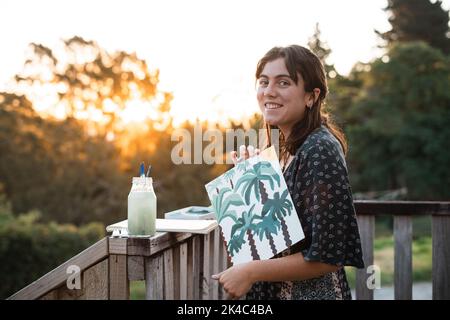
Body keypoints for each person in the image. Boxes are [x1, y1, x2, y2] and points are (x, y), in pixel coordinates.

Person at [212, 45, 365, 300]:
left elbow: (329, 257)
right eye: (263, 82)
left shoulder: (320, 150)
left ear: (311, 96)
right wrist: (250, 181)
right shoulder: (280, 148)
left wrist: (249, 272)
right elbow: (267, 240)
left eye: (283, 82)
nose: (269, 91)